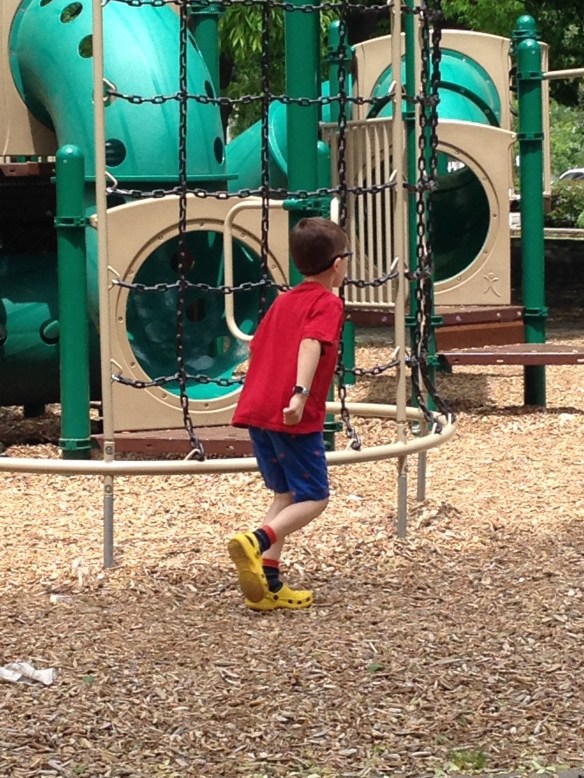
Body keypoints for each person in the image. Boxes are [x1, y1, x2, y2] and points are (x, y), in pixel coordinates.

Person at [228, 217, 351, 612]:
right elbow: (311, 343)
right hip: (291, 414)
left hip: (258, 410)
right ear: (337, 264)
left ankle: (269, 584)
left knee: (285, 494)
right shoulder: (327, 303)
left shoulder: (283, 301)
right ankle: (256, 540)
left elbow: (258, 347)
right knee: (314, 496)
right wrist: (299, 394)